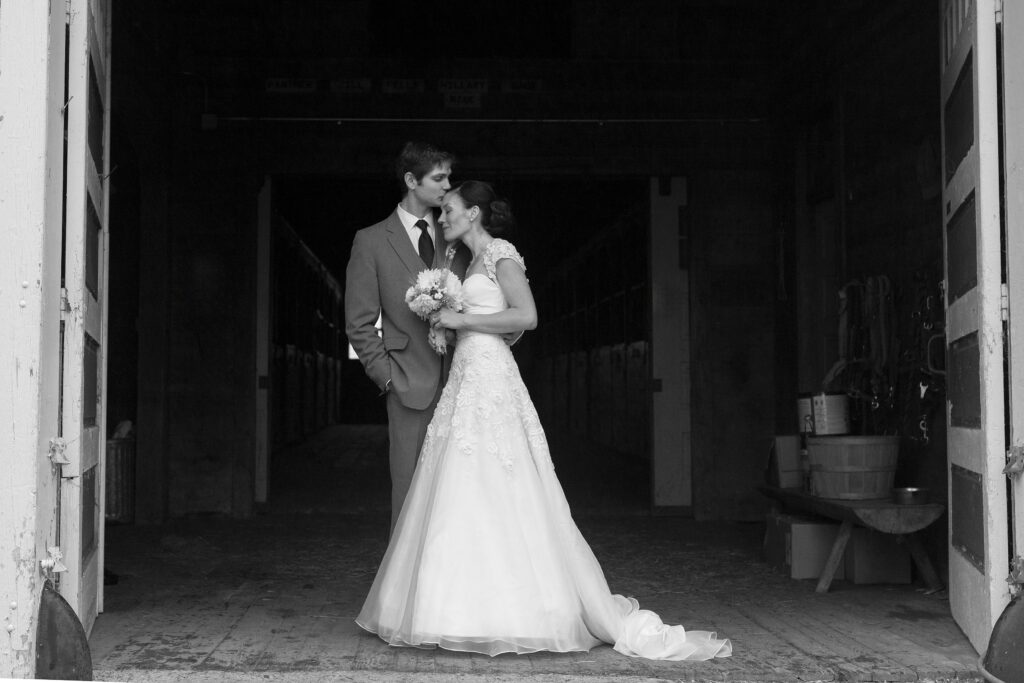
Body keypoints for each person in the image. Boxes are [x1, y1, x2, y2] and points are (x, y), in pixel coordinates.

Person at [356, 181, 733, 661]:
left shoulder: (500, 255)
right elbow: (497, 322)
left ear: (474, 213)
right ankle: (450, 609)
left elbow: (527, 317)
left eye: (449, 210)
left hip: (491, 378)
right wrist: (443, 327)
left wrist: (461, 322)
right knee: (457, 482)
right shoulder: (460, 263)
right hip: (467, 375)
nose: (442, 216)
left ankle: (518, 609)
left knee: (502, 479)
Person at [345, 141, 466, 533]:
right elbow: (359, 323)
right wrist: (388, 378)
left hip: (464, 384)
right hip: (408, 385)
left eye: (449, 176)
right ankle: (405, 590)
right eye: (439, 177)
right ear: (411, 180)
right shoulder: (371, 241)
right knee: (410, 493)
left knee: (460, 492)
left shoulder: (457, 235)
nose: (448, 185)